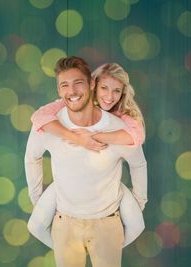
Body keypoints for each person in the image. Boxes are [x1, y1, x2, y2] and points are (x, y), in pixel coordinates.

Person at [25, 56, 147, 267]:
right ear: (58, 89)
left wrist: (140, 201)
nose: (72, 90)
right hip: (65, 224)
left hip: (107, 224)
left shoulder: (119, 128)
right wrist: (38, 198)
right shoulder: (50, 125)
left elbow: (139, 163)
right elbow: (32, 157)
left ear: (91, 84)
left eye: (78, 82)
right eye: (64, 85)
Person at [27, 63, 146, 248]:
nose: (109, 96)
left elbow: (137, 137)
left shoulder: (122, 116)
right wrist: (75, 138)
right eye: (104, 88)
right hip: (67, 184)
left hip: (106, 184)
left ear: (123, 93)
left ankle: (104, 249)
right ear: (93, 86)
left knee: (137, 224)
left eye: (116, 91)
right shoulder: (72, 102)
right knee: (36, 226)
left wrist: (97, 136)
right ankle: (69, 249)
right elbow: (39, 118)